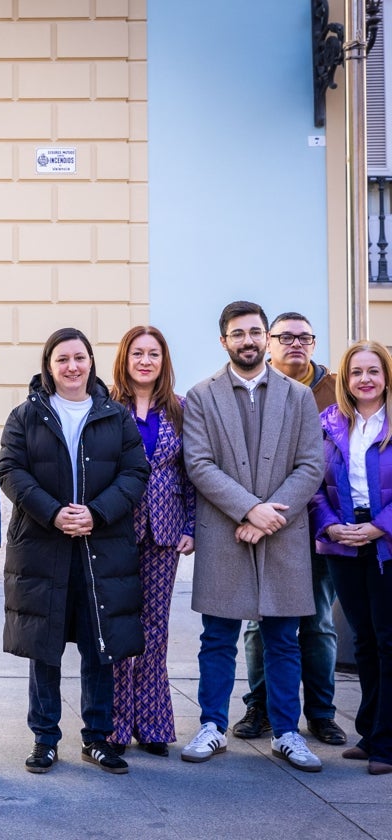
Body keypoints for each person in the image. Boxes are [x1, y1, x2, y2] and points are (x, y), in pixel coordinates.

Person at [180, 300, 325, 772]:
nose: (248, 340)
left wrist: (268, 516)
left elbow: (311, 464)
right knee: (217, 636)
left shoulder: (298, 396)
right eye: (238, 333)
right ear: (224, 341)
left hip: (283, 532)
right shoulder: (201, 396)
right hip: (226, 530)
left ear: (267, 338)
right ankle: (212, 727)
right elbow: (199, 464)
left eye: (255, 332)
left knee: (284, 637)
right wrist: (249, 509)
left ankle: (286, 732)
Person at [0, 327, 149, 775]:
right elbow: (10, 469)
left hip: (101, 548)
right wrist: (53, 512)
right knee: (43, 647)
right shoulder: (26, 415)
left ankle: (97, 737)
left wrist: (97, 513)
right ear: (49, 365)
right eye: (62, 359)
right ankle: (45, 738)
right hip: (42, 547)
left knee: (98, 644)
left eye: (79, 358)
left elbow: (135, 472)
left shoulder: (114, 415)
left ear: (91, 363)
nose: (71, 367)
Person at [233, 312, 346, 746]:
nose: (295, 344)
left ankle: (320, 713)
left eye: (305, 337)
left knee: (316, 622)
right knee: (258, 624)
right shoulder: (253, 388)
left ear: (314, 344)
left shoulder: (336, 389)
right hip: (257, 525)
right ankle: (259, 709)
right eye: (285, 337)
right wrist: (256, 514)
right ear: (268, 343)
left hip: (316, 526)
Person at [105, 326, 195, 756]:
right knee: (120, 626)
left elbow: (191, 473)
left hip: (165, 529)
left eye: (153, 354)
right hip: (117, 529)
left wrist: (190, 526)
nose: (145, 361)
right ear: (125, 358)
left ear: (163, 361)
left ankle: (154, 723)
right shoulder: (106, 406)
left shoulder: (180, 409)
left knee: (156, 628)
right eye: (137, 353)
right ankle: (116, 725)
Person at [310, 340, 392, 775]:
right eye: (356, 371)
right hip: (344, 541)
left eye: (373, 371)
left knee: (388, 641)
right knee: (362, 641)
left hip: (386, 542)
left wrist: (382, 526)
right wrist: (330, 526)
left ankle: (388, 742)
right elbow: (314, 485)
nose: (365, 379)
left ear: (385, 377)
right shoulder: (329, 423)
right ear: (346, 378)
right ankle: (370, 731)